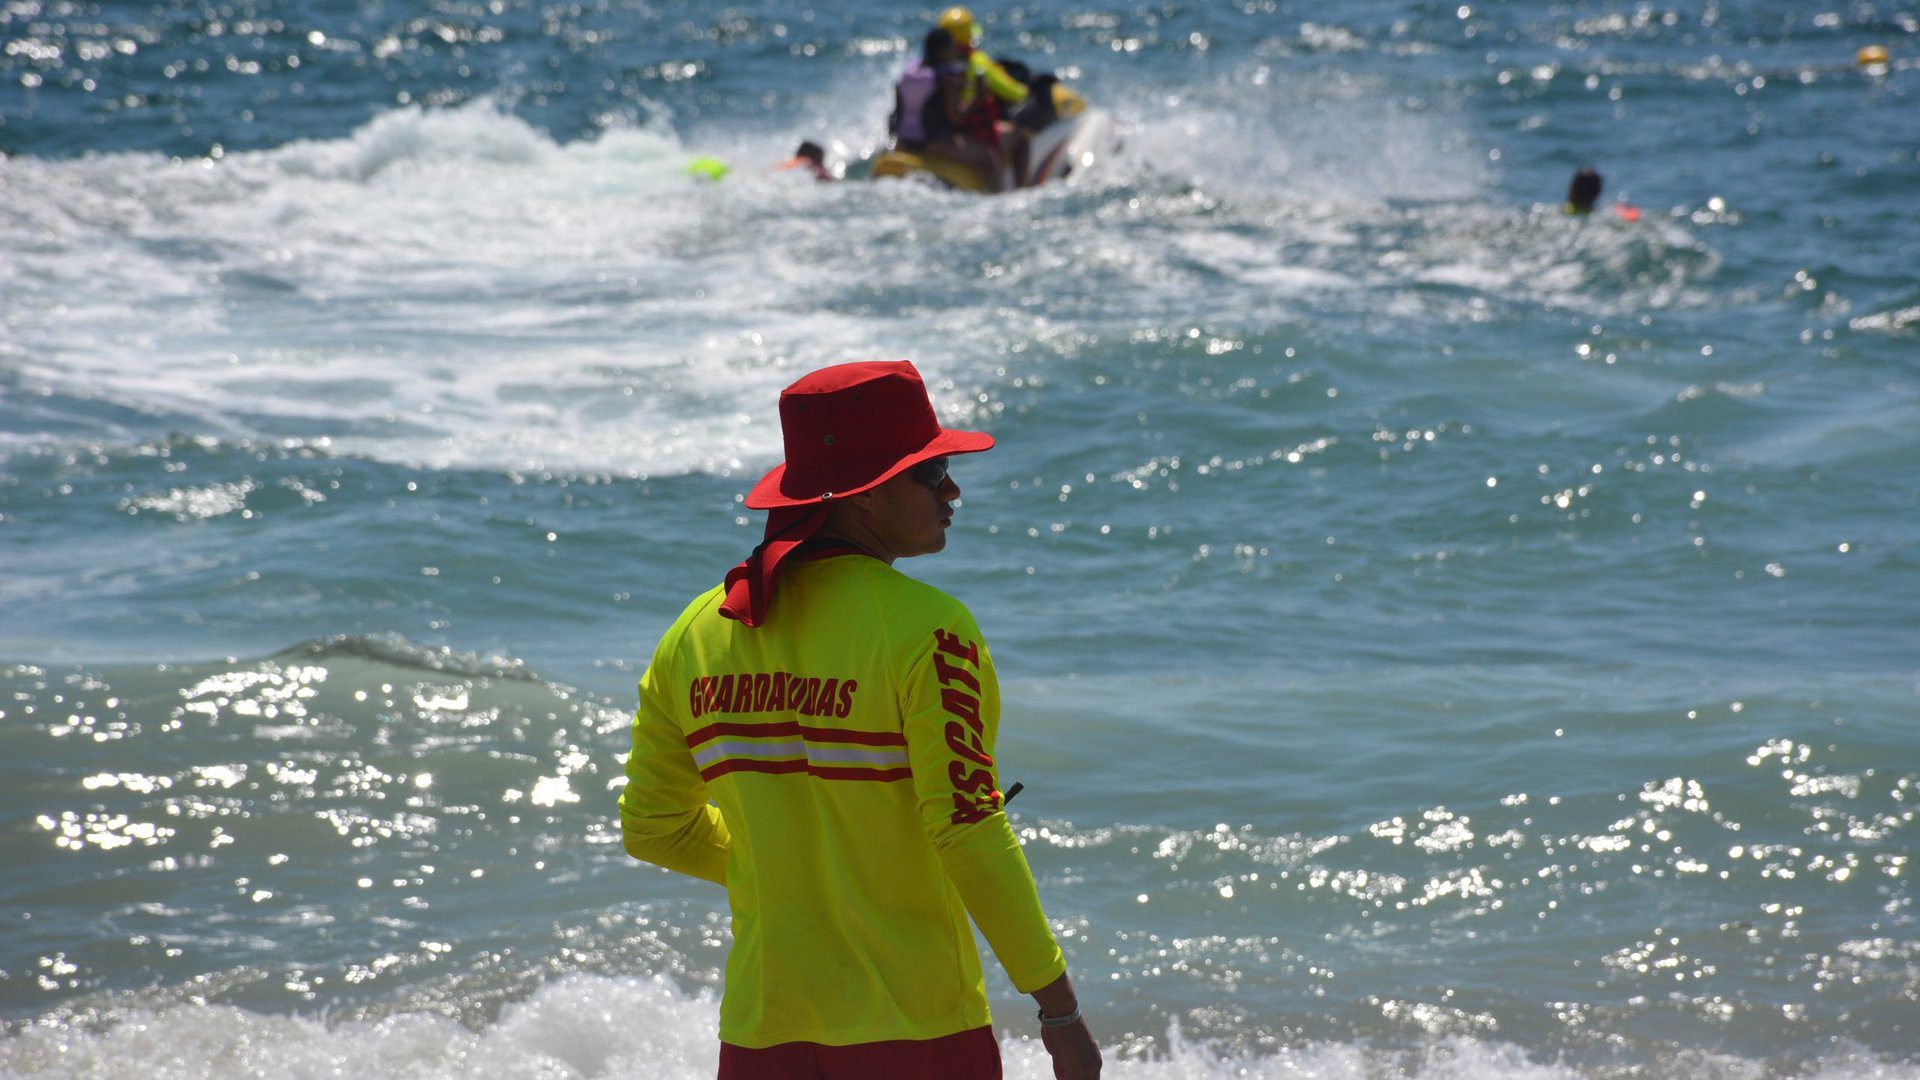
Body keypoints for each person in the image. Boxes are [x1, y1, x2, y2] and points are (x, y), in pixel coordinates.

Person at [619, 360, 1102, 1080]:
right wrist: (1058, 1012)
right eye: (930, 474)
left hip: (761, 1033)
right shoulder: (931, 630)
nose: (952, 491)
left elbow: (655, 828)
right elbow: (968, 828)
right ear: (867, 496)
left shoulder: (694, 633)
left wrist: (784, 874)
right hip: (916, 1028)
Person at [892, 27, 1005, 191]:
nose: (955, 52)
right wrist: (977, 98)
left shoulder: (909, 73)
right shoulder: (945, 76)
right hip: (934, 144)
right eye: (952, 47)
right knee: (989, 158)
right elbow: (956, 117)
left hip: (903, 143)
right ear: (941, 51)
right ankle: (998, 201)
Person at [939, 6, 1032, 188]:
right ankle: (1022, 190)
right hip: (971, 133)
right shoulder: (978, 63)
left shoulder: (936, 65)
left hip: (945, 134)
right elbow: (1013, 93)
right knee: (1021, 137)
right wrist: (1027, 91)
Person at [1564, 166, 1641, 222]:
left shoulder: (1562, 212)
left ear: (1571, 188)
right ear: (1598, 192)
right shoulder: (1603, 214)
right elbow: (1632, 217)